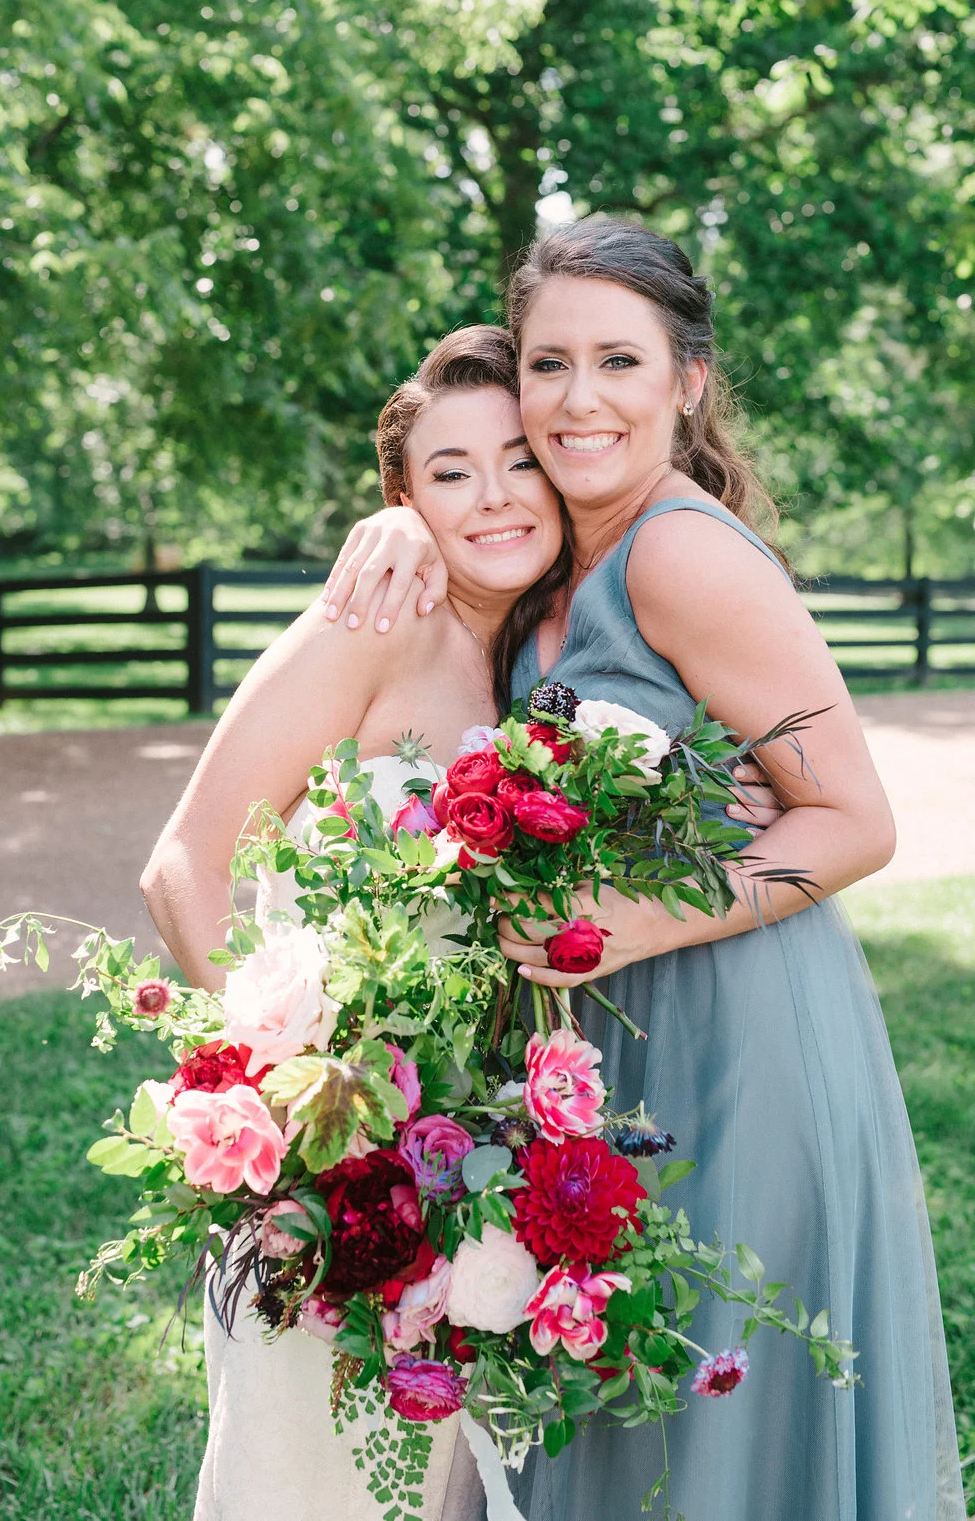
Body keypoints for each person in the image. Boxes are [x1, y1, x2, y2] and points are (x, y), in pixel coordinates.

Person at [321, 220, 965, 1520]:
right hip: (613, 1044)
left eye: (620, 360)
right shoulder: (561, 550)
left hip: (738, 1035)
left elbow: (855, 819)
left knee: (709, 1423)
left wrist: (626, 924)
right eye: (549, 363)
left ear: (689, 381)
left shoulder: (678, 552)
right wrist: (394, 524)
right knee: (618, 1415)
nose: (579, 399)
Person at [141, 322, 781, 1521]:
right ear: (401, 501)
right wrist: (290, 1109)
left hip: (466, 1173)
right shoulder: (370, 627)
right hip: (330, 1172)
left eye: (517, 461)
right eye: (449, 472)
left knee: (442, 1486)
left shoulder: (543, 666)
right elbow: (181, 867)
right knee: (307, 1481)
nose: (492, 495)